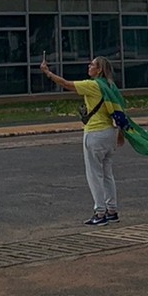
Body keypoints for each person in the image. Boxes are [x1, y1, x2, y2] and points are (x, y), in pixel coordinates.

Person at [39, 55, 125, 225]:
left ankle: (100, 213)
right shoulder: (110, 85)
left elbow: (65, 84)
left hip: (95, 134)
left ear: (99, 69)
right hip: (110, 132)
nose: (89, 66)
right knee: (107, 174)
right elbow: (120, 108)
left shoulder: (92, 85)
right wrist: (121, 133)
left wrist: (47, 72)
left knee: (94, 175)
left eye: (92, 64)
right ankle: (112, 210)